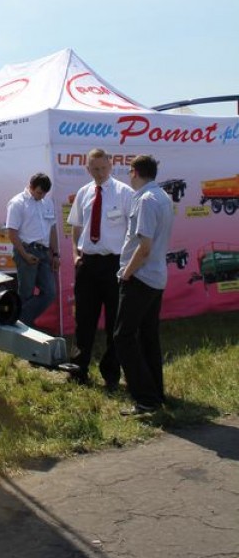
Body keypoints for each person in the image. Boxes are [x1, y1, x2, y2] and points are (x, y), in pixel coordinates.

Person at [67, 148, 133, 389]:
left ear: (111, 165)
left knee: (115, 321)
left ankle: (111, 374)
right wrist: (75, 255)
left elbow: (132, 231)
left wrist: (127, 263)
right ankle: (78, 370)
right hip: (88, 264)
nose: (99, 173)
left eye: (103, 168)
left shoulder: (124, 193)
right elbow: (76, 227)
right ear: (87, 169)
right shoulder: (84, 193)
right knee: (83, 320)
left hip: (114, 264)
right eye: (94, 169)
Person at [114, 154, 174, 416]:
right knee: (148, 337)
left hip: (140, 276)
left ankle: (145, 398)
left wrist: (127, 273)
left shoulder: (146, 200)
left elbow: (144, 246)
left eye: (129, 172)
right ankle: (155, 394)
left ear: (135, 172)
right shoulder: (162, 196)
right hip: (155, 276)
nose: (129, 176)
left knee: (123, 337)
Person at [5, 172, 60, 326]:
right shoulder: (17, 203)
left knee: (50, 292)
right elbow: (12, 232)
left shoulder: (47, 202)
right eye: (39, 193)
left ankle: (18, 320)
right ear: (31, 187)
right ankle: (22, 326)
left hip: (44, 252)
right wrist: (24, 254)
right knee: (26, 293)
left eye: (44, 193)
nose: (41, 196)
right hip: (26, 249)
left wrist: (55, 254)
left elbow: (52, 229)